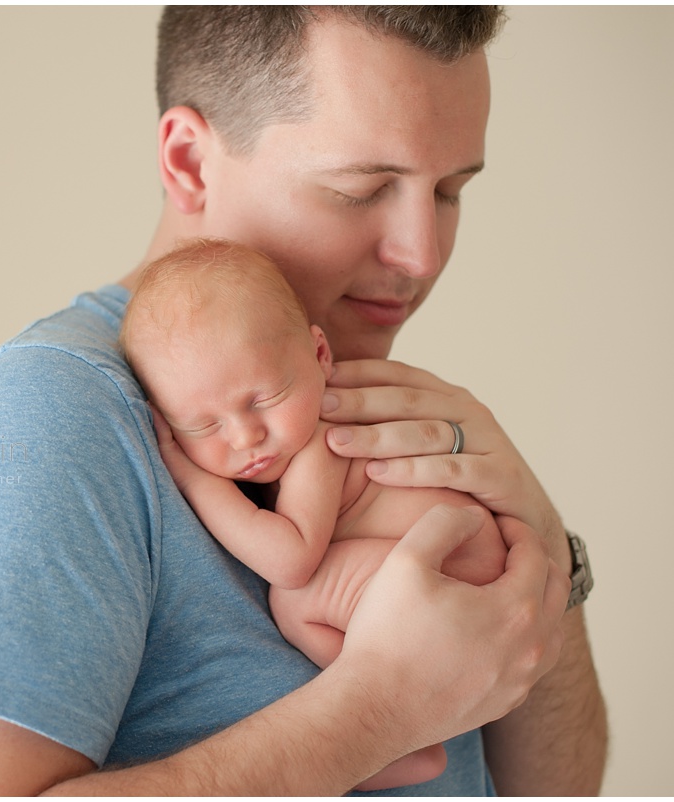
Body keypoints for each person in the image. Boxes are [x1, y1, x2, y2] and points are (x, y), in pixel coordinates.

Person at [0, 7, 607, 795]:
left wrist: (547, 553)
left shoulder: (372, 408)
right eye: (362, 189)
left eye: (449, 190)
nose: (421, 253)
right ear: (189, 162)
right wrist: (373, 715)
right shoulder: (48, 419)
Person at [120, 238, 511, 790]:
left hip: (455, 572)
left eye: (264, 398)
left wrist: (193, 477)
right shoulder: (286, 436)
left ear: (320, 355)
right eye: (202, 428)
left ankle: (393, 733)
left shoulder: (322, 443)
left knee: (295, 598)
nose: (246, 436)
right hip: (451, 565)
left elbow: (290, 557)